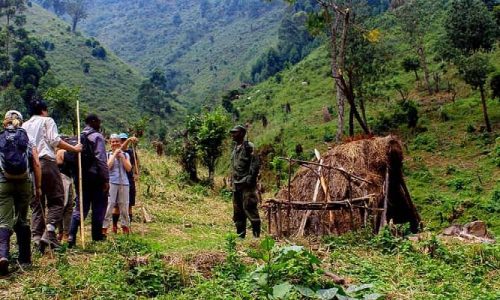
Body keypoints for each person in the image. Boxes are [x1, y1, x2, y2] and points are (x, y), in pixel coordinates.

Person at [22, 100, 82, 250]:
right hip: (46, 162)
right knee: (57, 199)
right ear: (44, 110)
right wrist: (74, 149)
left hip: (29, 166)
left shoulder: (24, 125)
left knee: (37, 201)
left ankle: (36, 238)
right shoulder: (47, 120)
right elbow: (55, 140)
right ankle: (49, 233)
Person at [0, 111, 42, 275]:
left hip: (4, 183)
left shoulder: (1, 137)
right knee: (23, 219)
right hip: (24, 183)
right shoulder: (27, 138)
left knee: (3, 221)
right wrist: (38, 187)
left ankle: (3, 255)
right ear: (21, 122)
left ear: (5, 122)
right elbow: (37, 163)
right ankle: (25, 258)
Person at [68, 114, 109, 247]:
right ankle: (96, 236)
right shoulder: (97, 137)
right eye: (98, 121)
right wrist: (105, 179)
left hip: (80, 177)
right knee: (98, 206)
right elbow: (101, 160)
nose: (100, 123)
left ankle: (71, 235)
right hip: (95, 178)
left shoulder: (78, 137)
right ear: (93, 122)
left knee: (81, 206)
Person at [230, 125, 261, 238]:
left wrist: (250, 179)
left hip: (246, 185)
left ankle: (256, 237)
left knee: (250, 208)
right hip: (236, 185)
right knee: (238, 212)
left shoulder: (249, 147)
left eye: (235, 132)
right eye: (232, 133)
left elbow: (255, 163)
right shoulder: (235, 148)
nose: (233, 135)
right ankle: (240, 236)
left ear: (242, 134)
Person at [103, 134, 133, 235]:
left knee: (124, 206)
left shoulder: (125, 154)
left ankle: (125, 226)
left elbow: (129, 168)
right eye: (113, 142)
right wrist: (115, 155)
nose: (115, 143)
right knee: (109, 205)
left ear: (120, 143)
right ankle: (104, 228)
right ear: (110, 143)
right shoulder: (107, 155)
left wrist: (122, 157)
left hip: (124, 183)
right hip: (111, 182)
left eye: (117, 141)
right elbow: (107, 167)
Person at [111, 133, 138, 232]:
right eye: (121, 140)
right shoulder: (114, 152)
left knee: (128, 204)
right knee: (116, 206)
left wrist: (136, 173)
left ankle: (127, 226)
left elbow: (135, 164)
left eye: (124, 140)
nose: (122, 142)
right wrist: (129, 140)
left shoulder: (130, 152)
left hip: (128, 180)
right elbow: (122, 148)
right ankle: (114, 226)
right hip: (117, 180)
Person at [55, 138, 77, 243]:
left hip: (68, 179)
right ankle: (60, 232)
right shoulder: (61, 152)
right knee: (62, 206)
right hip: (62, 179)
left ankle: (65, 232)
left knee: (68, 207)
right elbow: (69, 160)